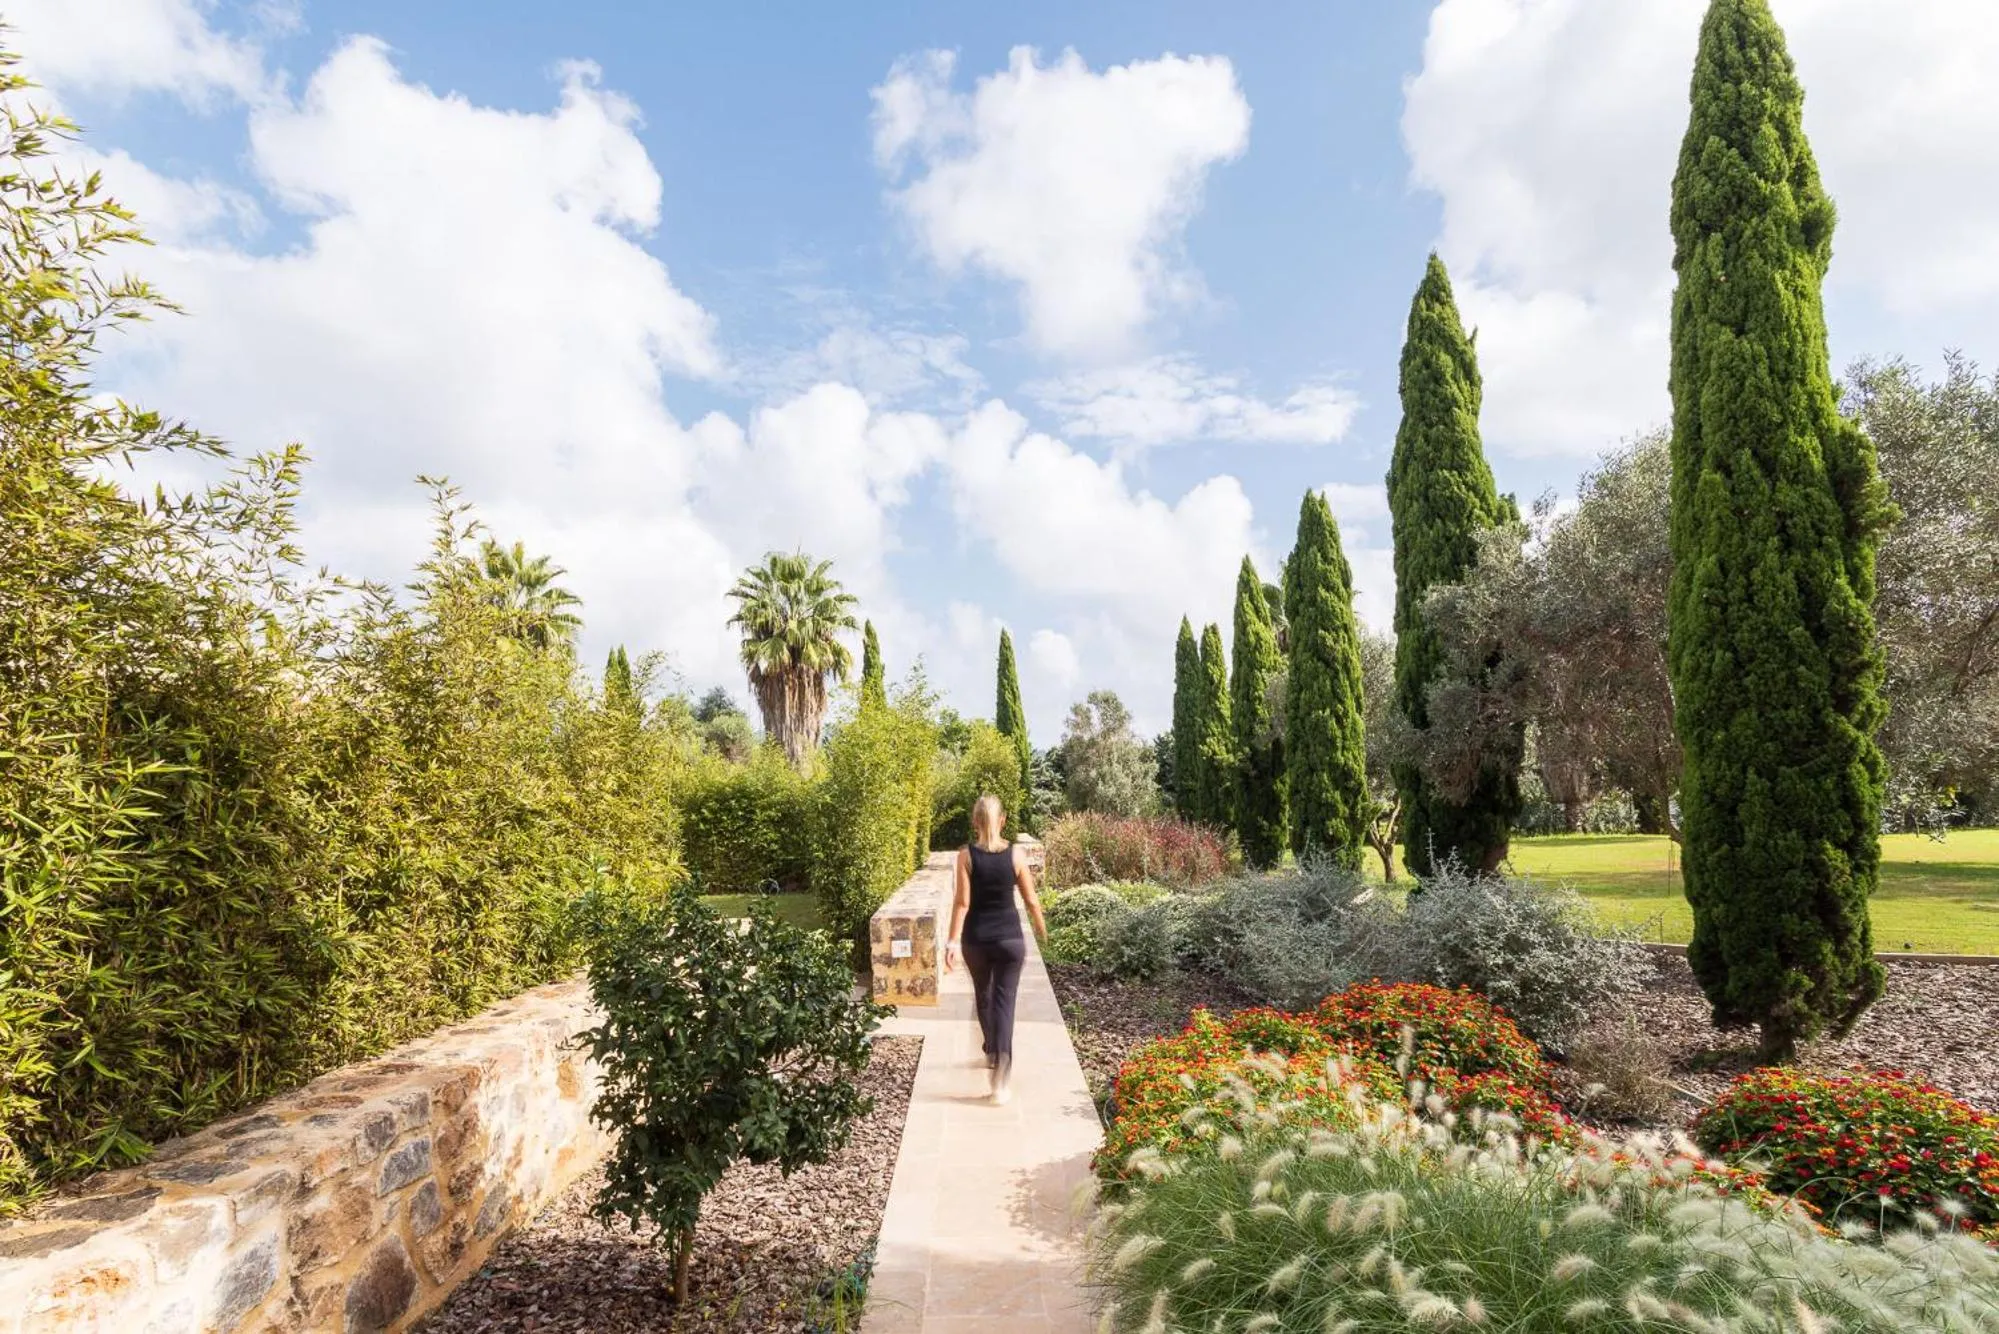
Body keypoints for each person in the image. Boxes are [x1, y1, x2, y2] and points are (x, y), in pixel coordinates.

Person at [943, 793, 1047, 1105]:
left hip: (975, 941)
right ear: (1002, 821)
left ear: (975, 822)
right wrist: (1042, 929)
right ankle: (1000, 1071)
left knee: (984, 997)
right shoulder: (1016, 855)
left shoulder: (966, 856)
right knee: (1005, 1003)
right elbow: (1030, 899)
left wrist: (951, 942)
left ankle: (992, 1051)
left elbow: (962, 903)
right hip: (1010, 942)